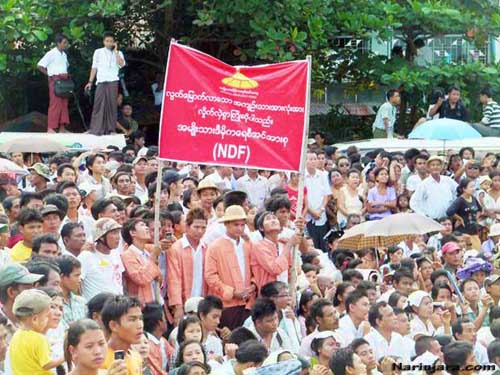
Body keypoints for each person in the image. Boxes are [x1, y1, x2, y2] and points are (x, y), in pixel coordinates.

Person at [204, 205, 256, 330]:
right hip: (226, 304)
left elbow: (256, 269)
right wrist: (231, 292)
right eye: (236, 225)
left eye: (242, 225)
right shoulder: (215, 247)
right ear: (226, 224)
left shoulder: (248, 245)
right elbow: (210, 276)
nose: (239, 228)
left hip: (248, 302)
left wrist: (253, 286)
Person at [168, 208, 208, 324]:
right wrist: (178, 306)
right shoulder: (176, 248)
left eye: (203, 227)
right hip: (185, 302)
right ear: (187, 226)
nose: (200, 231)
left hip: (202, 302)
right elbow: (173, 279)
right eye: (196, 227)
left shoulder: (206, 248)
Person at [9, 289, 64, 373]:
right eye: (46, 316)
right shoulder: (39, 339)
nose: (47, 319)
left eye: (61, 308)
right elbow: (46, 364)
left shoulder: (16, 336)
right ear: (35, 319)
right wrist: (65, 357)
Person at [85, 31, 126, 135]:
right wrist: (90, 81)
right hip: (101, 81)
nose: (109, 43)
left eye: (111, 41)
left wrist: (116, 51)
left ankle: (111, 129)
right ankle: (95, 128)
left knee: (112, 105)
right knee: (98, 104)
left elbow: (121, 64)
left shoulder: (119, 53)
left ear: (114, 42)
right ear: (103, 41)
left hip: (113, 80)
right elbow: (94, 67)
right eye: (107, 41)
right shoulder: (98, 52)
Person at [78, 218, 124, 301]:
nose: (118, 237)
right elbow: (77, 283)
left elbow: (120, 281)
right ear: (102, 237)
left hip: (118, 307)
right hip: (98, 309)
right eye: (114, 233)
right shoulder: (86, 256)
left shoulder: (115, 254)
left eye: (118, 233)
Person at [121, 218, 162, 305]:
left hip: (156, 299)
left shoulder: (148, 252)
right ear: (132, 233)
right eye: (142, 225)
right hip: (142, 305)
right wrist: (153, 257)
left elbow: (159, 277)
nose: (147, 228)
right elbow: (141, 278)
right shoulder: (127, 255)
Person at [100, 295, 144, 373]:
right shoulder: (99, 359)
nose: (140, 325)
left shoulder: (136, 357)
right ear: (113, 325)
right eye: (132, 319)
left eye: (140, 318)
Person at [37, 33, 70, 133]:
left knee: (64, 104)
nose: (66, 44)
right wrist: (50, 75)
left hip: (64, 80)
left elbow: (66, 66)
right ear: (58, 43)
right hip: (55, 80)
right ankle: (50, 128)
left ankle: (62, 128)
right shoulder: (51, 53)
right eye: (64, 43)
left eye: (66, 43)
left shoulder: (64, 55)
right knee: (55, 104)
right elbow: (40, 65)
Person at [57, 255, 87, 328]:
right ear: (62, 277)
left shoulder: (82, 302)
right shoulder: (52, 304)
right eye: (76, 275)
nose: (80, 280)